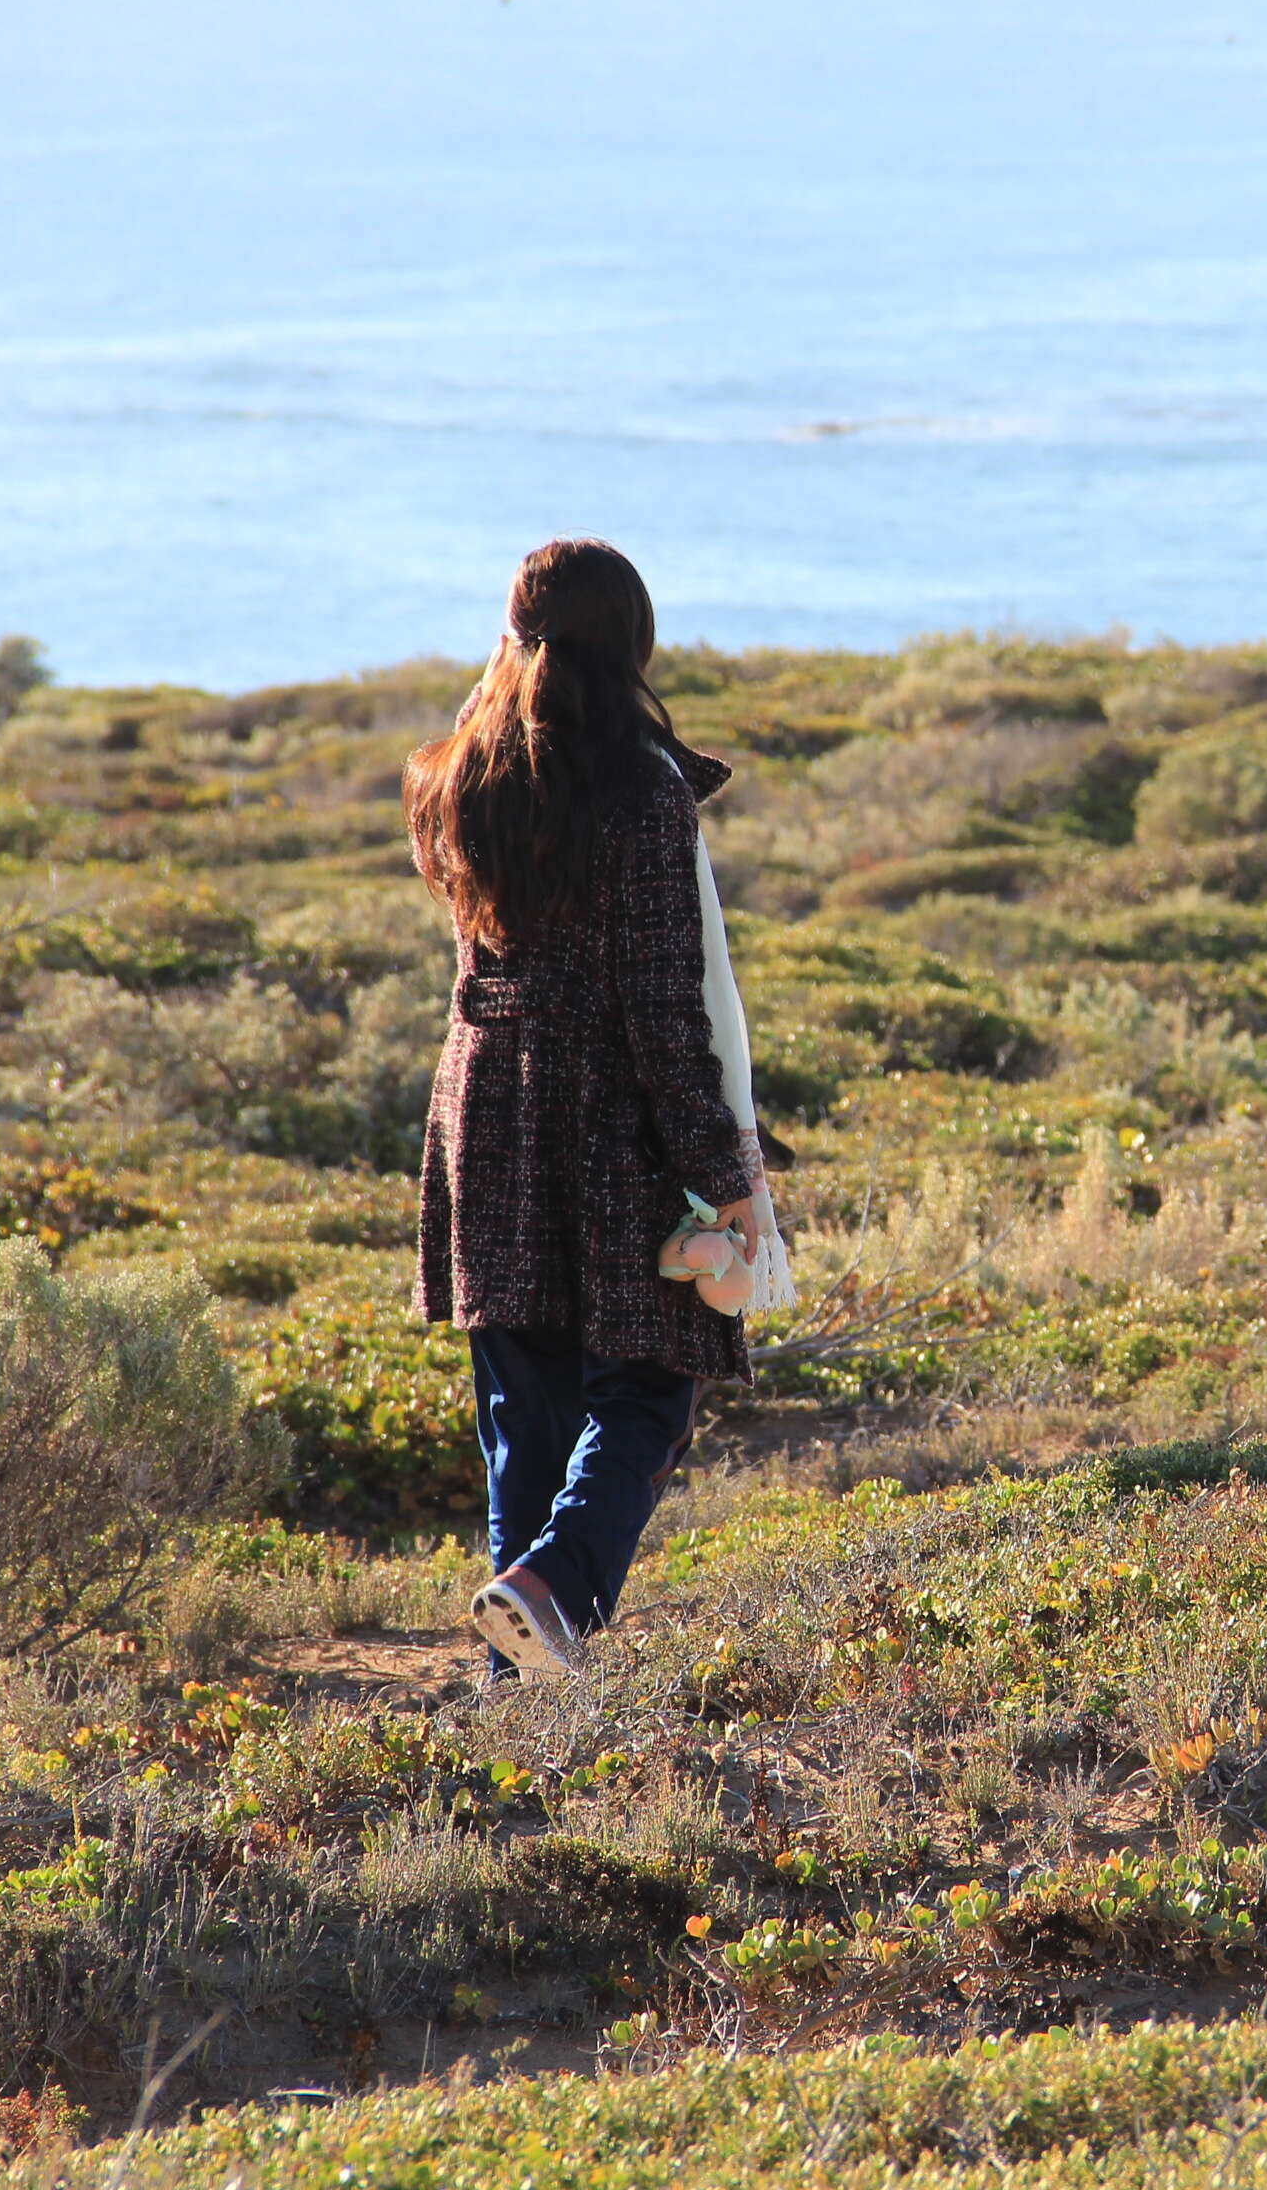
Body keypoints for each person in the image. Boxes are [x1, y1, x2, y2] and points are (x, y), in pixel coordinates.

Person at [404, 538, 792, 1679]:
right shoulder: (639, 789)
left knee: (526, 1413)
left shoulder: (457, 776)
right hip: (607, 1121)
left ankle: (514, 1681)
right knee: (650, 1386)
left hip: (486, 1106)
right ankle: (554, 1590)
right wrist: (727, 1175)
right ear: (632, 642)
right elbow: (665, 1009)